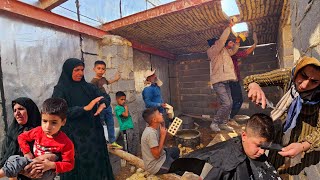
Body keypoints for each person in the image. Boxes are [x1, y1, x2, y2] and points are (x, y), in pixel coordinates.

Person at [243, 56, 320, 179]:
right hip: (282, 132)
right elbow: (251, 79)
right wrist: (254, 86)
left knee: (296, 169)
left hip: (305, 140)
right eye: (303, 76)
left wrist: (303, 146)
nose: (305, 85)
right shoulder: (288, 76)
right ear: (298, 70)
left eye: (314, 82)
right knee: (274, 164)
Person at [52, 58, 114, 180]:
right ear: (68, 71)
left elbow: (105, 96)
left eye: (82, 70)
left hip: (94, 136)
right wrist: (84, 108)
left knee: (96, 166)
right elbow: (59, 111)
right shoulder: (60, 90)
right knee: (79, 169)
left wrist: (103, 103)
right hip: (75, 138)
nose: (80, 73)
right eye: (76, 70)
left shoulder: (88, 87)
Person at [186, 113, 281, 180]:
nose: (262, 152)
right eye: (258, 146)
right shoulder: (223, 162)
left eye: (265, 147)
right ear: (244, 136)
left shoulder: (254, 151)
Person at [0, 98, 75, 180]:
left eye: (53, 122)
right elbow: (21, 137)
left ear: (63, 122)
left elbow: (69, 164)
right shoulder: (36, 131)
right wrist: (27, 152)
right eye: (45, 121)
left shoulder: (65, 142)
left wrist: (51, 165)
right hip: (30, 163)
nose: (47, 127)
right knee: (13, 159)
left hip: (46, 169)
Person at [207, 19, 240, 132]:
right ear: (214, 44)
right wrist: (229, 27)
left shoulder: (224, 52)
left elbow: (234, 51)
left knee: (229, 103)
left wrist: (238, 41)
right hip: (218, 81)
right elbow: (221, 42)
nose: (219, 42)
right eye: (217, 41)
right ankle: (215, 123)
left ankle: (224, 123)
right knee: (226, 103)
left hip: (225, 80)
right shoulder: (212, 51)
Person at [0, 97, 42, 180]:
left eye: (21, 109)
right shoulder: (12, 132)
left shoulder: (41, 132)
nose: (17, 113)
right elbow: (3, 156)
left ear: (30, 111)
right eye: (14, 110)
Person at [91, 60, 122, 148]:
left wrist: (116, 79)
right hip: (100, 106)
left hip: (107, 105)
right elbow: (92, 94)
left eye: (103, 69)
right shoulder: (93, 82)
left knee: (110, 123)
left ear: (105, 70)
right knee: (100, 124)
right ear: (94, 69)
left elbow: (107, 82)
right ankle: (101, 142)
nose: (101, 70)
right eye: (99, 68)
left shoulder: (103, 79)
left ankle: (112, 141)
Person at [141, 108, 180, 175]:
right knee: (179, 168)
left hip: (162, 155)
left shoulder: (157, 126)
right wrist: (162, 136)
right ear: (154, 120)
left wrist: (164, 128)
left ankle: (171, 163)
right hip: (155, 166)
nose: (161, 114)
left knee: (176, 150)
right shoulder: (150, 134)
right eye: (159, 114)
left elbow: (164, 142)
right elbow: (156, 156)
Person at [228, 32, 258, 118]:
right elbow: (245, 52)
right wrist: (254, 44)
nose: (233, 43)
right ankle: (229, 118)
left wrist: (254, 44)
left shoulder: (232, 54)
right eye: (231, 42)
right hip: (232, 81)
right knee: (237, 100)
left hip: (233, 80)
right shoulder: (229, 53)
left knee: (234, 101)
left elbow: (245, 53)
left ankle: (228, 118)